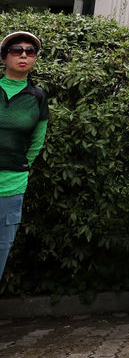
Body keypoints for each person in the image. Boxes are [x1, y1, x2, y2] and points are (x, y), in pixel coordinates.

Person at [0, 31, 48, 282]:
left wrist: (21, 167)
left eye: (30, 52)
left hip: (12, 186)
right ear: (4, 57)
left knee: (1, 251)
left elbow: (37, 141)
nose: (24, 55)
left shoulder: (38, 97)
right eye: (16, 50)